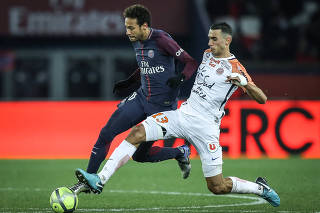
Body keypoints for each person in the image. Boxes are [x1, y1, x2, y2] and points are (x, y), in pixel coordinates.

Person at [75, 22, 281, 207]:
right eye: (209, 37)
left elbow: (262, 98)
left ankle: (260, 189)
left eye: (214, 39)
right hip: (182, 115)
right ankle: (99, 179)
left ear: (228, 41)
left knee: (217, 186)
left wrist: (244, 84)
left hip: (206, 128)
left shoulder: (236, 68)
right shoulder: (207, 54)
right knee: (137, 132)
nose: (210, 42)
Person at [69, 4, 198, 193]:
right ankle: (88, 180)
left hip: (161, 108)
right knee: (106, 133)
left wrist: (181, 77)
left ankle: (180, 152)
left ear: (144, 26)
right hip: (141, 98)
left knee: (140, 156)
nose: (127, 32)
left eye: (131, 28)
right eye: (126, 27)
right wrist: (129, 81)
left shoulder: (162, 40)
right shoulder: (136, 39)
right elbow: (145, 65)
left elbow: (190, 62)